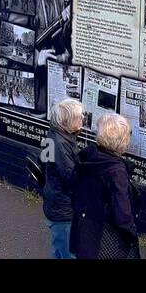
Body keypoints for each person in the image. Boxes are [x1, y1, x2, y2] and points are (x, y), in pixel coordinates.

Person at [71, 113, 141, 259]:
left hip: (83, 232)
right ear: (122, 141)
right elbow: (122, 215)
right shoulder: (116, 172)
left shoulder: (87, 156)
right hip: (106, 241)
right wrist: (131, 234)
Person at [43, 99, 84, 259]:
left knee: (59, 249)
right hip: (63, 208)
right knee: (67, 252)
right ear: (67, 120)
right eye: (79, 117)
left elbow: (45, 161)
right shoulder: (60, 143)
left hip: (54, 200)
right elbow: (71, 177)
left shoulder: (54, 135)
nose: (82, 120)